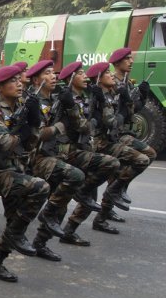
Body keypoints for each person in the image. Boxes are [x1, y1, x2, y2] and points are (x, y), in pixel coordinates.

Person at [0, 65, 50, 282]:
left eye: (19, 80)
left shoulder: (21, 106)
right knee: (41, 187)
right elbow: (3, 144)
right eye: (13, 81)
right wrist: (23, 128)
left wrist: (33, 121)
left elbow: (32, 143)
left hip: (16, 169)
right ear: (0, 87)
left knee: (15, 221)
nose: (20, 84)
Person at [51, 62, 120, 245]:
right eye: (80, 73)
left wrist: (99, 106)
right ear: (71, 78)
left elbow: (99, 121)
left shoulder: (84, 97)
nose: (85, 77)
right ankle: (42, 241)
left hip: (82, 149)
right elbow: (83, 126)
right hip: (66, 152)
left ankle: (68, 232)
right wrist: (96, 120)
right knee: (61, 202)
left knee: (90, 196)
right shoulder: (66, 99)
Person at [85, 60, 154, 234]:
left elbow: (129, 114)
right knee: (88, 188)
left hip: (115, 138)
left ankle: (103, 215)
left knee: (119, 174)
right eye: (107, 73)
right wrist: (122, 109)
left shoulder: (112, 91)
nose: (131, 61)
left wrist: (141, 98)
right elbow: (111, 122)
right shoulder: (98, 95)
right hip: (102, 143)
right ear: (100, 78)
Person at [25, 61, 85, 262]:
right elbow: (37, 135)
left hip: (55, 155)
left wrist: (71, 106)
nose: (53, 77)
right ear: (35, 80)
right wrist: (60, 126)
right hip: (36, 158)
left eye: (54, 73)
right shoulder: (31, 103)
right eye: (47, 73)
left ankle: (40, 243)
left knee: (62, 202)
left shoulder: (56, 101)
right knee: (74, 177)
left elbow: (78, 126)